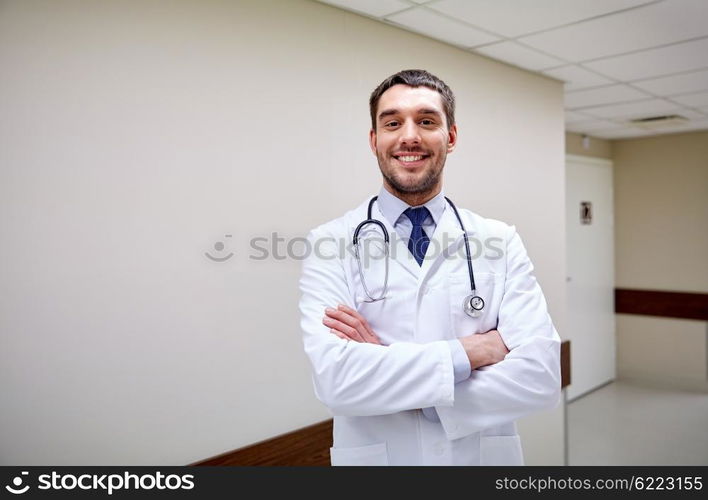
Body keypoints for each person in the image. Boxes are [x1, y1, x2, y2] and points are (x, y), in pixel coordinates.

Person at [298, 69, 560, 466]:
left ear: (450, 137)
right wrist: (470, 353)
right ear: (374, 140)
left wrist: (391, 372)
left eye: (426, 121)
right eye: (392, 123)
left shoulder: (499, 239)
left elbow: (539, 377)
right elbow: (337, 382)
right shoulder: (329, 242)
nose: (409, 137)